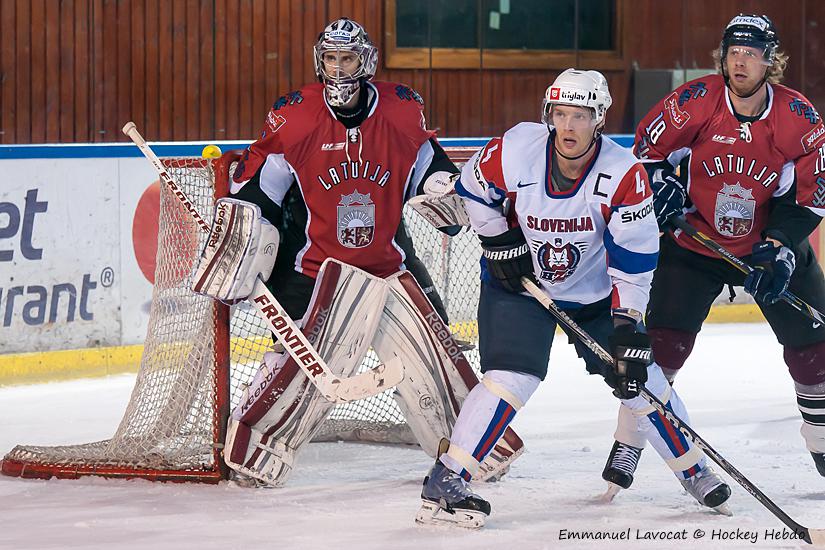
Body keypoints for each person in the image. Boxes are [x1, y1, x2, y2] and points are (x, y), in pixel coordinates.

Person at [192, 17, 523, 488]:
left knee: (432, 365)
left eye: (347, 58)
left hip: (389, 271)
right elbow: (261, 186)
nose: (338, 68)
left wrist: (443, 189)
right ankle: (254, 450)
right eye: (330, 58)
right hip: (322, 274)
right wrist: (243, 233)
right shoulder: (298, 115)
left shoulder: (401, 110)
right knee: (300, 375)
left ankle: (475, 454)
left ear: (365, 61)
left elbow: (427, 165)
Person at [415, 69, 731, 530]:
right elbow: (472, 190)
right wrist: (499, 239)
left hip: (597, 296)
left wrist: (626, 325)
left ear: (598, 119)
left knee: (641, 380)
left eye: (579, 116)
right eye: (559, 114)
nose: (567, 126)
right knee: (510, 378)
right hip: (521, 286)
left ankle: (693, 469)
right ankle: (447, 480)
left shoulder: (624, 173)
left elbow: (634, 259)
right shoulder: (518, 148)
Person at [603, 13, 825, 496]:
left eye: (751, 53)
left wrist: (783, 247)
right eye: (733, 51)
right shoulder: (694, 101)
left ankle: (823, 441)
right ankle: (629, 442)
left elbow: (811, 196)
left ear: (771, 61)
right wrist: (658, 185)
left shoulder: (798, 117)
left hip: (767, 248)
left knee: (816, 351)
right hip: (693, 244)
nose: (740, 61)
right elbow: (645, 150)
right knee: (658, 350)